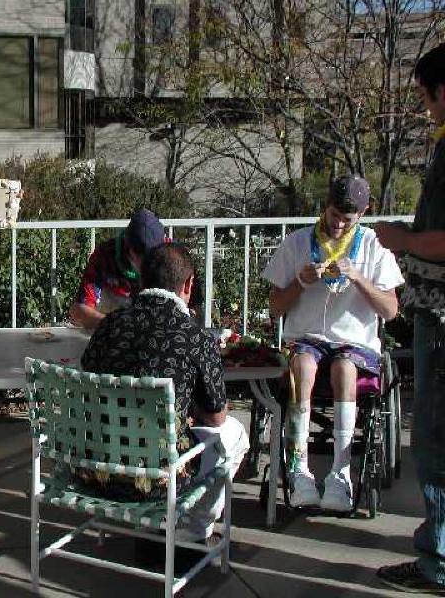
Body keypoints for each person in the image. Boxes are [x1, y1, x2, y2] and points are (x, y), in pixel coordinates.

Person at [80, 242, 249, 542]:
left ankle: (159, 525)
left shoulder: (108, 326)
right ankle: (192, 528)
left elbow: (89, 376)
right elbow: (216, 417)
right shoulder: (196, 337)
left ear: (141, 280)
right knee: (234, 433)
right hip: (157, 482)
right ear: (188, 285)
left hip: (97, 471)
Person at [262, 175, 403, 512]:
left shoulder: (373, 246)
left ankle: (341, 473)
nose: (338, 223)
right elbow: (275, 308)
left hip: (354, 343)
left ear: (363, 213)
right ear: (325, 206)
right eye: (334, 214)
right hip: (306, 337)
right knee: (302, 366)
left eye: (347, 218)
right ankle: (299, 470)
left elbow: (390, 310)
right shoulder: (297, 242)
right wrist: (300, 282)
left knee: (344, 368)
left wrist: (357, 277)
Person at [375, 43, 445, 594]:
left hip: (441, 316)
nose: (425, 107)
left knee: (435, 439)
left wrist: (400, 238)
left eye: (425, 95)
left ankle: (437, 562)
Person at [68, 208, 166, 330]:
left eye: (152, 257)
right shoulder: (105, 255)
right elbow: (80, 309)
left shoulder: (173, 256)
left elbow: (186, 304)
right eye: (140, 256)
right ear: (128, 246)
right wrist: (119, 327)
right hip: (114, 323)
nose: (146, 264)